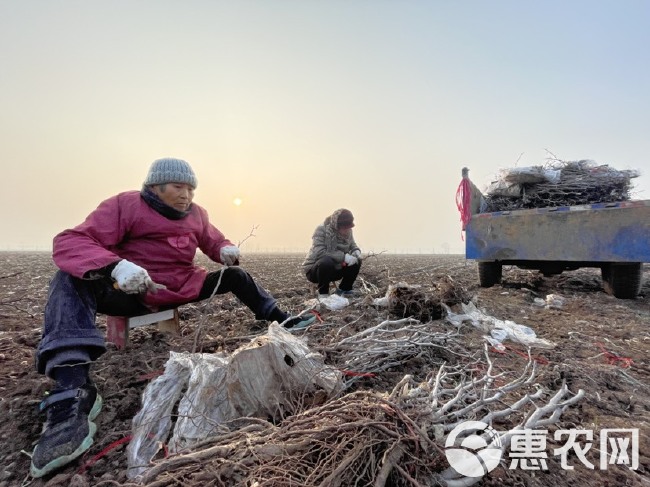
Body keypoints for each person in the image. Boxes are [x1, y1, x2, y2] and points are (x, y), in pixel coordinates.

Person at [30, 157, 316, 478]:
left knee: (235, 275)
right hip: (134, 292)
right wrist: (116, 266)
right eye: (179, 187)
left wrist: (223, 249)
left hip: (181, 287)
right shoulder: (126, 205)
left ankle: (279, 317)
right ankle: (71, 387)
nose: (186, 195)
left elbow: (212, 238)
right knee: (68, 279)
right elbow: (72, 241)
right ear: (156, 186)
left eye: (191, 189)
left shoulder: (197, 214)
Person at [302, 208, 362, 298]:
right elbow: (320, 251)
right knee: (326, 261)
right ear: (337, 225)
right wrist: (343, 257)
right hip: (316, 270)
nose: (347, 230)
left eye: (349, 227)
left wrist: (355, 251)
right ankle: (323, 293)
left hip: (335, 268)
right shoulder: (321, 230)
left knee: (356, 260)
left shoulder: (348, 231)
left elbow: (352, 244)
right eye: (345, 227)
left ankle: (344, 290)